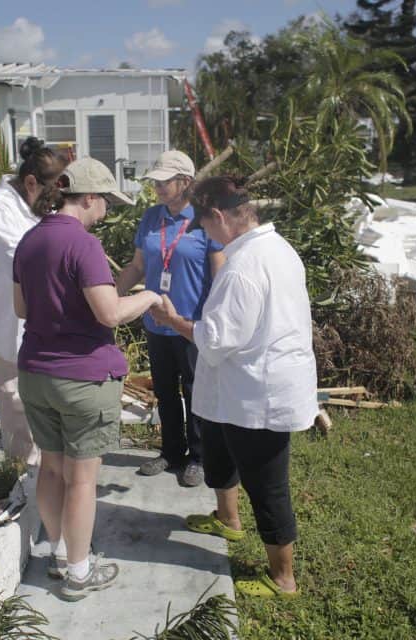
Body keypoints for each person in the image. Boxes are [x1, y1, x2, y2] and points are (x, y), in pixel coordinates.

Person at [150, 176, 317, 599]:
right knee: (221, 453)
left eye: (205, 226)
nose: (206, 235)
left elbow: (218, 338)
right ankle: (228, 519)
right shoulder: (274, 248)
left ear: (220, 217)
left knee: (267, 483)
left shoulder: (244, 268)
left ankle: (283, 578)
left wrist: (172, 322)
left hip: (258, 393)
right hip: (238, 387)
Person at [13, 157, 162, 601]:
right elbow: (110, 313)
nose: (107, 212)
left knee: (52, 468)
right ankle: (79, 573)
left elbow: (22, 309)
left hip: (36, 373)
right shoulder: (84, 245)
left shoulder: (29, 240)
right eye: (107, 203)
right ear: (91, 198)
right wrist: (149, 296)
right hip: (81, 379)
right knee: (81, 479)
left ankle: (61, 555)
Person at [115, 150, 224, 487]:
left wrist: (217, 322)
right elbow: (137, 266)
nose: (158, 187)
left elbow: (221, 276)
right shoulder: (151, 218)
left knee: (195, 391)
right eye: (156, 182)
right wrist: (109, 298)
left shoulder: (205, 221)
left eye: (165, 182)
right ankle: (171, 452)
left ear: (185, 182)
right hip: (156, 323)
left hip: (191, 326)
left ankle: (199, 457)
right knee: (165, 390)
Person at [0, 137, 66, 521]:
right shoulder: (0, 208)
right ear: (31, 182)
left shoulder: (24, 205)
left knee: (34, 402)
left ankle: (40, 474)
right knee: (14, 401)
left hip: (31, 320)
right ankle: (22, 479)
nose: (52, 199)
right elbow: (33, 254)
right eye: (49, 190)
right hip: (8, 320)